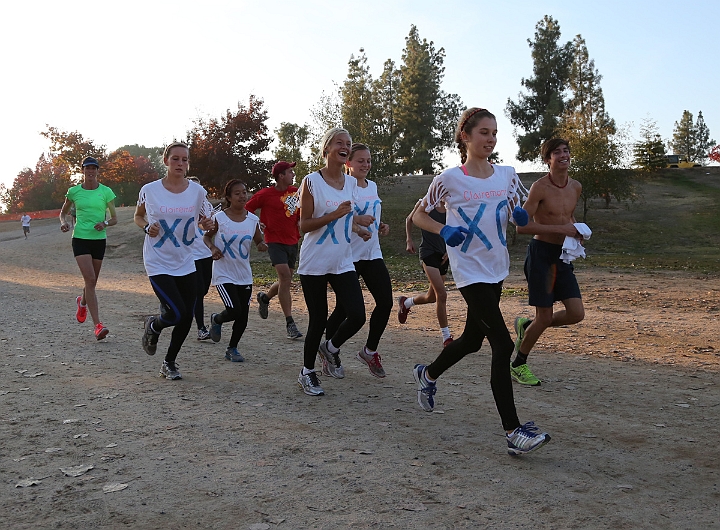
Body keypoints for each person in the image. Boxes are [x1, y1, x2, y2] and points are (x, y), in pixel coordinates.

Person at [411, 107, 551, 456]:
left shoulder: (506, 174)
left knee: (474, 340)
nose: (490, 139)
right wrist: (443, 229)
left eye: (494, 133)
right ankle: (513, 432)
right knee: (502, 346)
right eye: (484, 133)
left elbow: (521, 207)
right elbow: (418, 215)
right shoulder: (449, 179)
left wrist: (521, 215)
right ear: (466, 136)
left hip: (495, 268)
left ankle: (427, 374)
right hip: (469, 271)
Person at [296, 128, 372, 396]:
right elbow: (304, 225)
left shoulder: (351, 183)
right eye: (340, 143)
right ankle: (307, 373)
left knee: (358, 315)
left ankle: (330, 348)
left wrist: (356, 226)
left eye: (348, 144)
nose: (345, 147)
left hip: (342, 260)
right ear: (327, 148)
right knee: (318, 319)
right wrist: (336, 214)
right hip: (315, 261)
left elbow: (345, 218)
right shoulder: (311, 181)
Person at [134, 142, 212, 380]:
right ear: (166, 160)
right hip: (158, 261)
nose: (180, 163)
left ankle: (169, 362)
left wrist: (207, 225)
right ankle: (154, 325)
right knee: (177, 314)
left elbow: (204, 220)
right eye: (175, 159)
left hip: (186, 260)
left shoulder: (197, 192)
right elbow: (138, 216)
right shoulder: (150, 190)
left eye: (185, 160)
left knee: (187, 316)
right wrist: (147, 227)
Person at [511, 138, 585, 386]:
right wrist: (561, 228)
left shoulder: (576, 186)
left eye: (566, 150)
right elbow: (521, 226)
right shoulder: (539, 188)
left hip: (562, 256)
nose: (563, 155)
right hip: (541, 255)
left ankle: (527, 326)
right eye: (557, 152)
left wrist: (576, 232)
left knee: (576, 313)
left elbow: (568, 215)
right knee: (545, 316)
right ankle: (518, 364)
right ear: (547, 159)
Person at [325, 143, 391, 378]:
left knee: (386, 302)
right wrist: (357, 223)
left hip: (372, 253)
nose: (366, 165)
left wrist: (379, 225)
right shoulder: (345, 187)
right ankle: (329, 349)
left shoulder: (372, 186)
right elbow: (339, 214)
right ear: (349, 163)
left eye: (369, 160)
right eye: (361, 160)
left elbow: (372, 214)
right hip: (348, 257)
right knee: (344, 311)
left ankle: (369, 350)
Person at [203, 179, 267, 361]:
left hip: (244, 274)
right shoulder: (220, 218)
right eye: (237, 193)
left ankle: (232, 348)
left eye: (245, 192)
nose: (242, 196)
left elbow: (258, 241)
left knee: (243, 315)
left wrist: (262, 244)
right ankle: (217, 319)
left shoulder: (253, 220)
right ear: (229, 197)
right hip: (224, 272)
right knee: (233, 309)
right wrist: (213, 248)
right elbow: (207, 237)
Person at [59, 156, 117, 341]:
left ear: (97, 171)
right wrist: (64, 222)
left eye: (94, 168)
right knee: (90, 279)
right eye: (87, 168)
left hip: (99, 240)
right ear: (82, 170)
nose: (90, 171)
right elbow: (63, 212)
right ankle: (98, 326)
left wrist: (105, 223)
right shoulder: (74, 192)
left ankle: (82, 302)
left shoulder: (106, 192)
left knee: (91, 283)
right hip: (80, 239)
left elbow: (115, 218)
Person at [245, 161, 302, 340]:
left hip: (292, 241)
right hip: (274, 241)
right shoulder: (265, 194)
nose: (293, 174)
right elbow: (247, 209)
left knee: (285, 280)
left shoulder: (296, 192)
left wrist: (302, 222)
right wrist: (257, 223)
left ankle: (265, 298)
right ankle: (290, 323)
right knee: (285, 277)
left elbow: (301, 213)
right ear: (280, 176)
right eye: (290, 172)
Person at [399, 199, 454, 347]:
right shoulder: (426, 203)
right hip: (428, 253)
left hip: (443, 255)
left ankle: (406, 302)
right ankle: (446, 337)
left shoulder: (453, 206)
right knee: (442, 295)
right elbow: (409, 219)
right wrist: (409, 240)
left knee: (432, 297)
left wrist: (450, 250)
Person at [186, 176, 214, 341]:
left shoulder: (208, 206)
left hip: (207, 253)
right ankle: (201, 328)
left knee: (202, 290)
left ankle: (175, 302)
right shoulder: (185, 207)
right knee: (198, 292)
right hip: (191, 253)